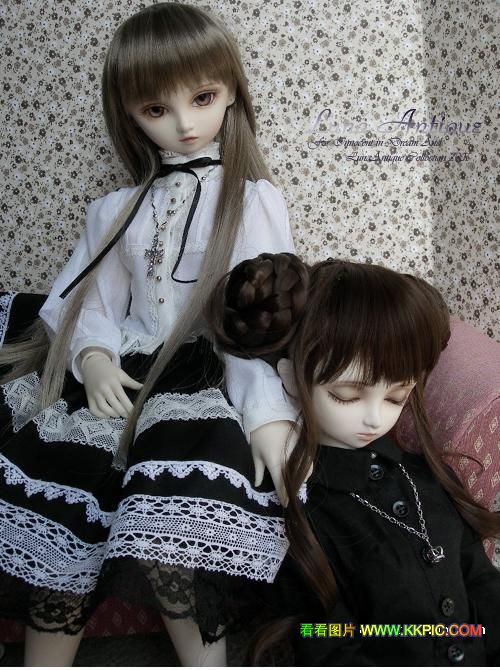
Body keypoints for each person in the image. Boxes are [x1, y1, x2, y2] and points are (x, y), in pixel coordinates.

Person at [0, 4, 298, 666]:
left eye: (202, 98)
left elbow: (258, 322)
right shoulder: (116, 209)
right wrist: (93, 355)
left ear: (231, 92)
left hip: (201, 382)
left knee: (174, 541)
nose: (184, 124)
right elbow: (83, 299)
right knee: (67, 530)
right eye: (156, 109)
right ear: (129, 114)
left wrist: (268, 415)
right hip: (124, 379)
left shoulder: (251, 200)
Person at [206, 252, 500, 666]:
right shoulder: (303, 505)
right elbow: (322, 636)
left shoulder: (428, 478)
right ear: (291, 378)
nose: (374, 418)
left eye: (396, 396)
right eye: (346, 396)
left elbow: (479, 580)